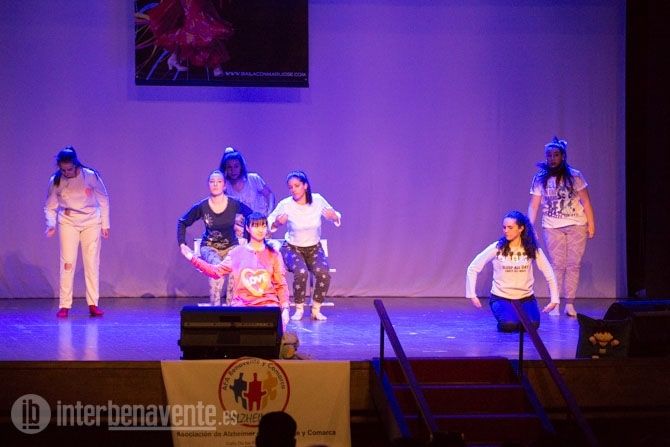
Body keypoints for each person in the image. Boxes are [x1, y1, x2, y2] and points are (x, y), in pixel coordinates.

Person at [180, 213, 290, 330]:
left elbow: (281, 284)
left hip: (268, 305)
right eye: (256, 226)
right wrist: (192, 258)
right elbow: (215, 272)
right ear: (247, 228)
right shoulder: (237, 253)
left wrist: (285, 309)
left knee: (271, 333)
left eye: (263, 226)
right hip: (242, 306)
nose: (260, 229)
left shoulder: (274, 254)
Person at [527, 137, 596, 317]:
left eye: (556, 155)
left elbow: (586, 201)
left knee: (574, 264)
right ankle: (555, 302)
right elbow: (534, 205)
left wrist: (591, 224)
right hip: (552, 226)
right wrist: (529, 226)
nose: (552, 158)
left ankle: (570, 303)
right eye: (549, 155)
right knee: (557, 265)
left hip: (576, 224)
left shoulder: (575, 175)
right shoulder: (540, 178)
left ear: (563, 156)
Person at [466, 211, 559, 332]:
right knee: (509, 325)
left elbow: (549, 273)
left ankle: (519, 317)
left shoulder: (531, 249)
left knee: (532, 325)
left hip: (526, 298)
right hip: (501, 298)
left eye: (510, 228)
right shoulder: (497, 247)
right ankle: (508, 319)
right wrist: (472, 295)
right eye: (504, 227)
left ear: (521, 228)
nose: (506, 231)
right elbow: (473, 268)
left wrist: (554, 299)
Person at [44, 147, 110, 318]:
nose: (67, 173)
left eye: (70, 169)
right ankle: (64, 305)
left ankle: (93, 304)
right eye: (63, 170)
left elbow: (103, 199)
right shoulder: (56, 181)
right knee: (67, 263)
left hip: (91, 221)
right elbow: (50, 206)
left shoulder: (90, 176)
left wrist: (105, 224)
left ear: (76, 164)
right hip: (68, 221)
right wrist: (51, 224)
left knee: (91, 262)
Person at [268, 171, 341, 321]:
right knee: (301, 272)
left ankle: (316, 309)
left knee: (323, 273)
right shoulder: (286, 204)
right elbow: (270, 222)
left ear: (305, 186)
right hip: (292, 248)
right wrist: (277, 223)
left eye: (297, 186)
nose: (293, 189)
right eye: (290, 187)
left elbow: (335, 215)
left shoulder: (318, 200)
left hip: (314, 248)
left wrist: (333, 216)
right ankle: (299, 309)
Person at [177, 170, 252, 305]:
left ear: (224, 185)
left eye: (219, 181)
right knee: (217, 268)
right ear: (208, 185)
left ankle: (232, 307)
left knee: (234, 270)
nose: (215, 184)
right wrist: (182, 244)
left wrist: (248, 237)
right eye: (212, 182)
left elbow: (252, 216)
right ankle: (215, 309)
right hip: (209, 247)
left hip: (231, 245)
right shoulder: (202, 206)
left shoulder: (233, 204)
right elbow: (182, 222)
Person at [219, 147, 275, 215]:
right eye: (229, 167)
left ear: (241, 167)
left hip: (261, 219)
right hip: (241, 222)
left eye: (236, 166)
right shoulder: (225, 187)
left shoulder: (253, 179)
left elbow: (269, 195)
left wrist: (270, 214)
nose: (233, 170)